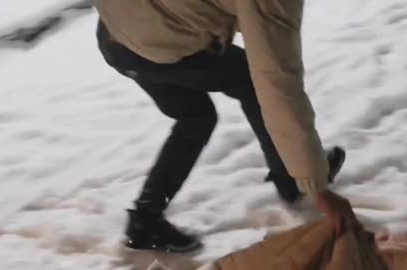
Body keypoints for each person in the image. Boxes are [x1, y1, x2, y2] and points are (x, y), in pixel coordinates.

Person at [93, 0, 358, 253]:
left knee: (195, 116)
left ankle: (145, 218)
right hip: (151, 42)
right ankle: (290, 177)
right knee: (254, 83)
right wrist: (318, 189)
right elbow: (278, 85)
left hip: (118, 34)